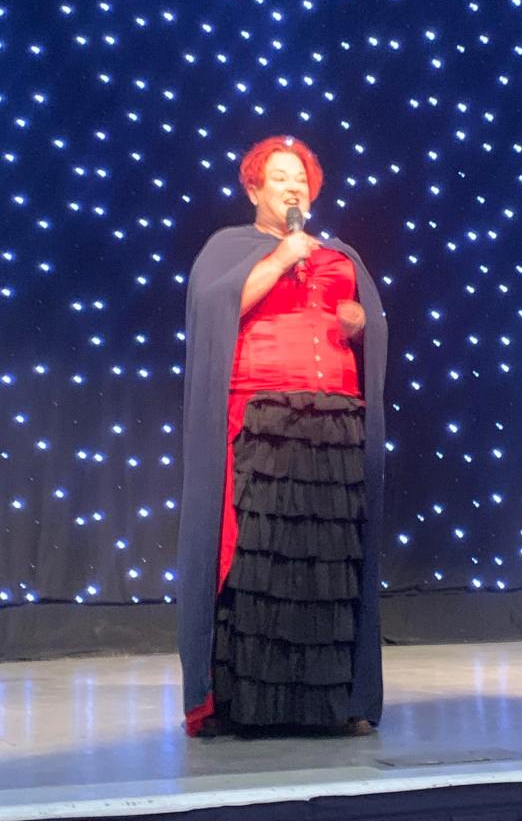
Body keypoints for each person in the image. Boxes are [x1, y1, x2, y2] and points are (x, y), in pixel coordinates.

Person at [176, 135, 388, 737]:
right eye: (280, 178)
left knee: (328, 564)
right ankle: (243, 705)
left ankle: (330, 703)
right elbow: (217, 310)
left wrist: (359, 324)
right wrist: (277, 260)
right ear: (254, 188)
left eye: (302, 179)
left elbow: (371, 328)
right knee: (260, 562)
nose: (294, 187)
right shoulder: (230, 247)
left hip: (335, 421)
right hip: (263, 420)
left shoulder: (339, 254)